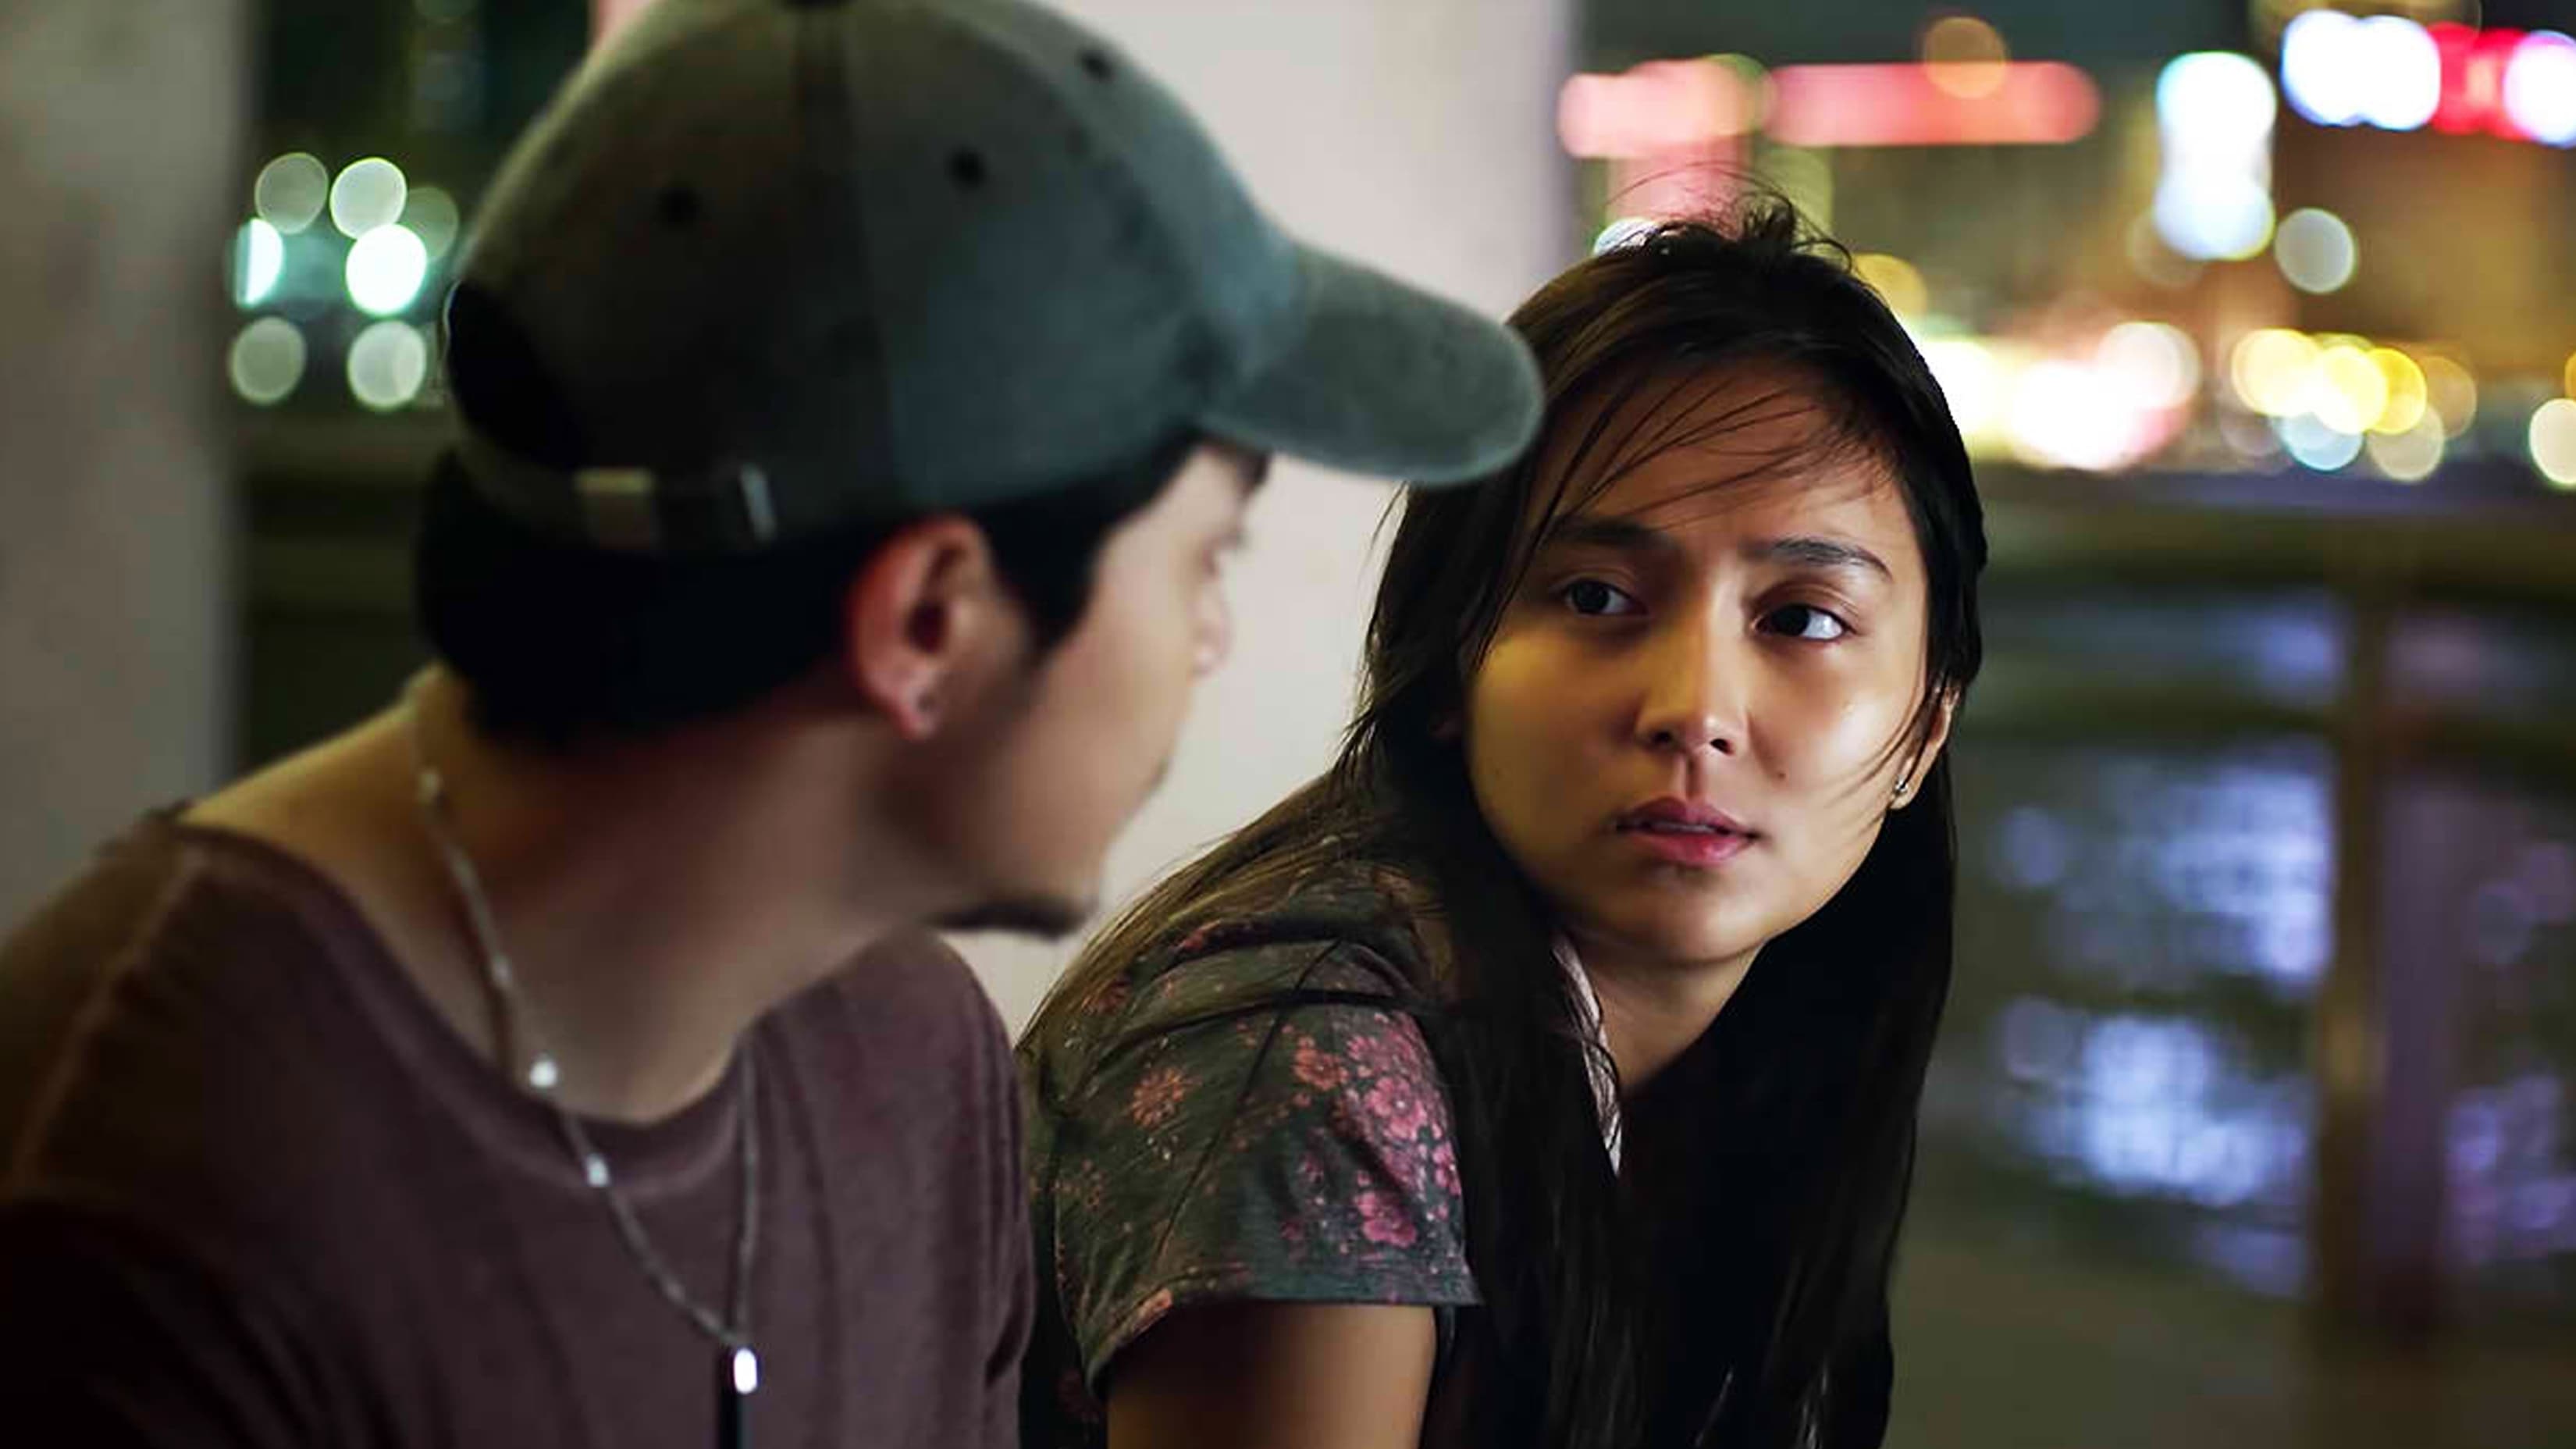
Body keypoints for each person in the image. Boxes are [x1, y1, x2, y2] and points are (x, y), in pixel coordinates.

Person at [0, 1, 1540, 1444]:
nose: (1212, 639)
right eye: (1207, 558)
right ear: (927, 620)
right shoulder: (169, 1182)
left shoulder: (910, 1060)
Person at [1018, 201, 1987, 1449]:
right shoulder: (1312, 1067)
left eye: (1801, 618)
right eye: (1596, 597)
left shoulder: (1744, 1066)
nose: (1696, 711)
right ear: (1447, 666)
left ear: (1927, 726)